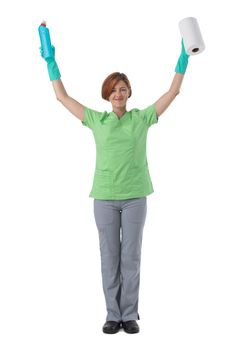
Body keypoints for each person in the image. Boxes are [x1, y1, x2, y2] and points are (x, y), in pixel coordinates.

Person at [40, 33, 189, 334]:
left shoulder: (142, 118)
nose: (118, 94)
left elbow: (172, 92)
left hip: (135, 197)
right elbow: (62, 98)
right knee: (109, 258)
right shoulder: (96, 120)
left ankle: (129, 315)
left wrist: (184, 56)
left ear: (129, 92)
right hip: (105, 198)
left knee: (131, 257)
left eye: (122, 89)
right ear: (106, 95)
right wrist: (50, 60)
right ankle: (112, 314)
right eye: (113, 91)